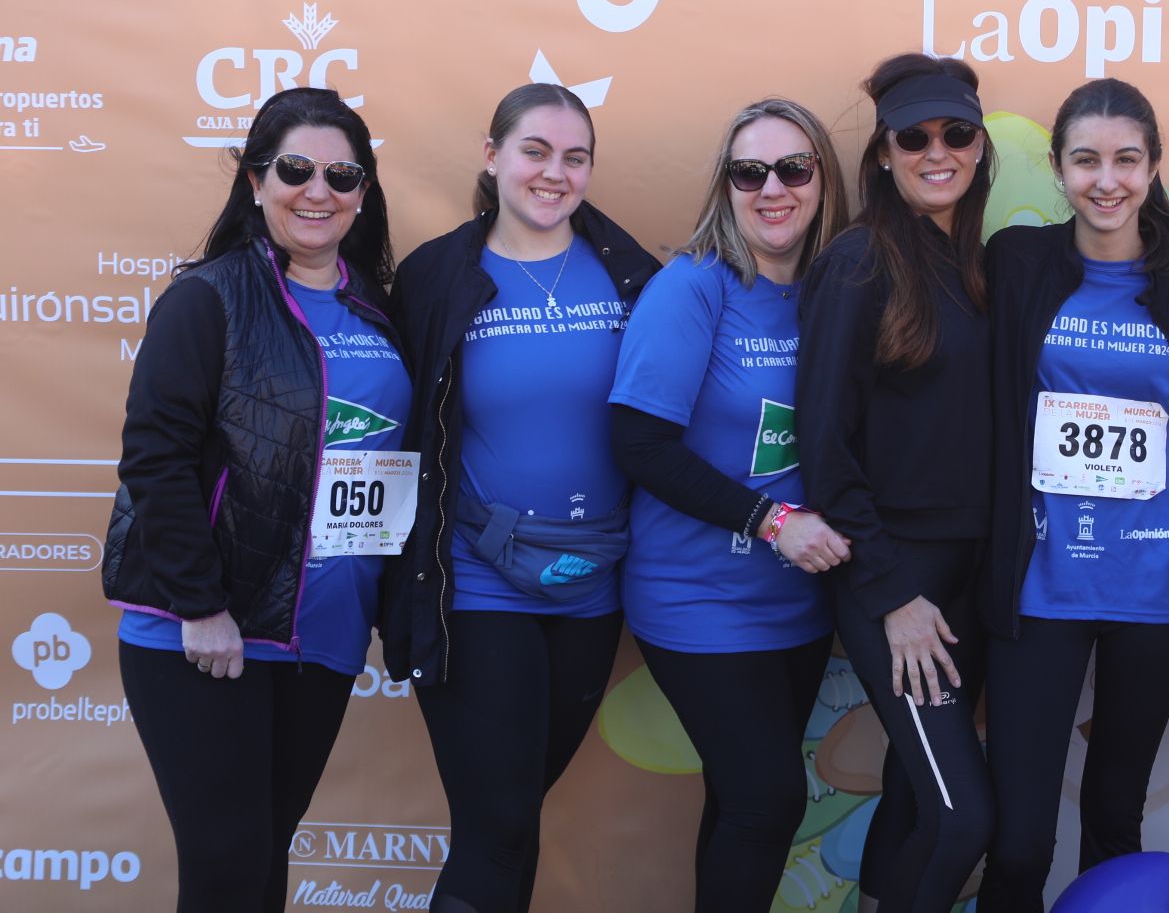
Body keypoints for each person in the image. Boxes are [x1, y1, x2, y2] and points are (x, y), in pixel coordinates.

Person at [106, 87, 405, 911]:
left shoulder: (380, 309)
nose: (319, 191)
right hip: (209, 633)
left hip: (325, 632)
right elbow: (155, 458)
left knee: (261, 861)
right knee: (229, 866)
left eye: (343, 175)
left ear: (363, 192)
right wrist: (199, 605)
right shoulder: (209, 298)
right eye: (296, 169)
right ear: (255, 180)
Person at [381, 83, 659, 913]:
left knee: (508, 820)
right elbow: (392, 425)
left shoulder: (633, 273)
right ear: (492, 154)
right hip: (474, 578)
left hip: (593, 581)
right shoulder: (437, 276)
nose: (554, 173)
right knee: (500, 822)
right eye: (535, 151)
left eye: (575, 157)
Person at [978, 79, 1169, 910]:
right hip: (1041, 583)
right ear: (1057, 169)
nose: (1107, 180)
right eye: (1086, 160)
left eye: (1127, 159)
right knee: (1017, 837)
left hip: (1150, 590)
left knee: (1117, 816)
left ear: (1154, 168)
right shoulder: (1017, 266)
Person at [607, 97, 852, 911]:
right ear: (726, 185)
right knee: (769, 799)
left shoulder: (835, 290)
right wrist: (770, 520)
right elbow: (638, 445)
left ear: (823, 179)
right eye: (750, 171)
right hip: (698, 597)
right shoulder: (694, 288)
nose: (772, 188)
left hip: (800, 605)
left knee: (739, 802)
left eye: (794, 168)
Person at [795, 53, 996, 912]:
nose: (936, 151)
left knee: (918, 797)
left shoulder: (982, 267)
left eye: (956, 134)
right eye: (913, 137)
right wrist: (889, 595)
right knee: (965, 819)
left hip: (975, 579)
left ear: (981, 147)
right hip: (897, 583)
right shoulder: (857, 263)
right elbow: (824, 446)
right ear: (882, 153)